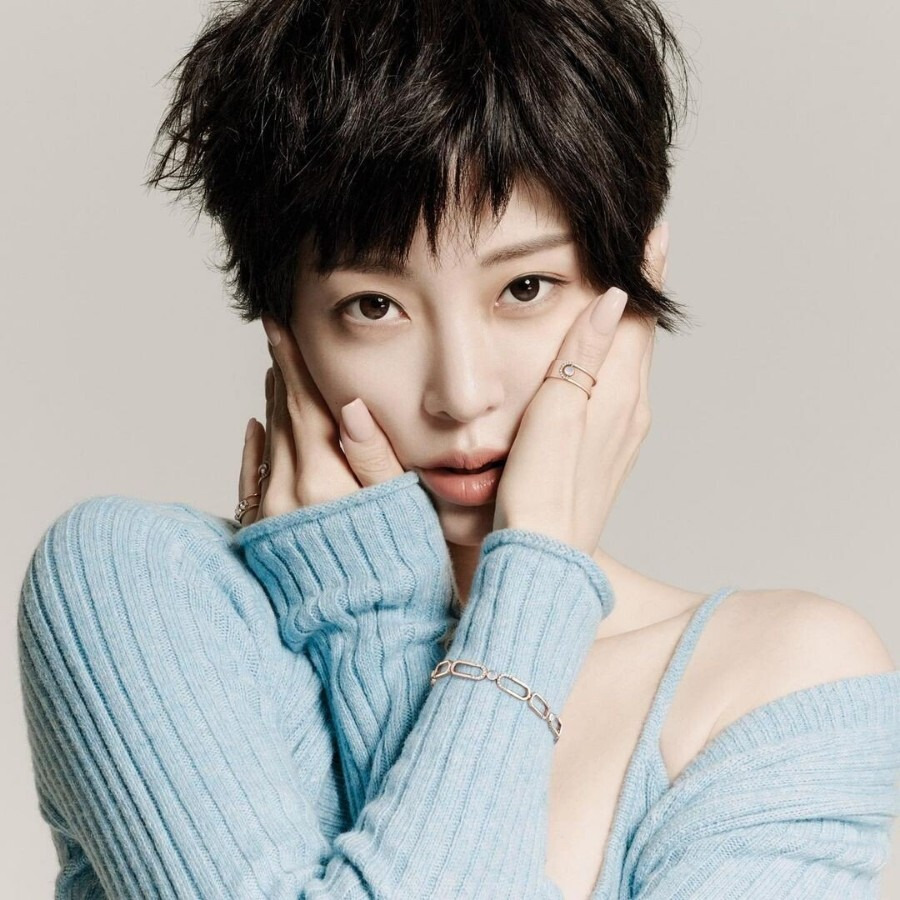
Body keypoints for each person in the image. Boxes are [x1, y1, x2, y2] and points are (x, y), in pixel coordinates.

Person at [17, 1, 899, 898]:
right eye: (374, 306)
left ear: (634, 288)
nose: (462, 392)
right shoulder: (135, 589)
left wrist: (385, 628)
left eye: (526, 287)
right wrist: (519, 587)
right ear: (284, 327)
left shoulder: (777, 685)